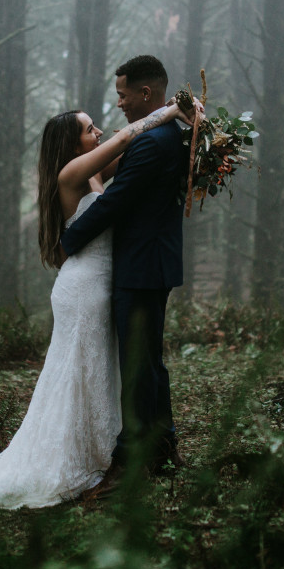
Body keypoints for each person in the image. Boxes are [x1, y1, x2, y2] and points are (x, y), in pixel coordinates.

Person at [0, 86, 196, 509]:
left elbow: (134, 158)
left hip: (99, 280)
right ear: (71, 143)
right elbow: (125, 137)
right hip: (85, 286)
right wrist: (174, 110)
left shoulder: (93, 173)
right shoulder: (71, 175)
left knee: (93, 369)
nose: (98, 131)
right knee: (80, 369)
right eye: (88, 128)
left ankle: (101, 451)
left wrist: (186, 126)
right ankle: (77, 458)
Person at [61, 55, 187, 500]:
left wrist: (70, 239)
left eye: (122, 94)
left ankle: (129, 461)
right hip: (153, 262)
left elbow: (116, 203)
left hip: (141, 264)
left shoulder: (153, 143)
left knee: (137, 365)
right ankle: (163, 442)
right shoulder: (163, 132)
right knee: (149, 359)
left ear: (145, 94)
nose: (118, 103)